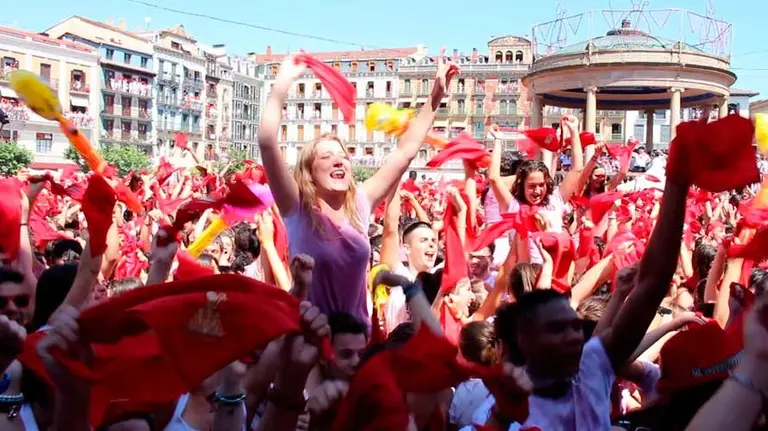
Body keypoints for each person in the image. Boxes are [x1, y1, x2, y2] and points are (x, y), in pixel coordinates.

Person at [257, 52, 458, 320]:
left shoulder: (361, 204)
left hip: (357, 343)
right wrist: (283, 81)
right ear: (309, 173)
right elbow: (268, 142)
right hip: (314, 343)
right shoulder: (298, 209)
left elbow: (406, 151)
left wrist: (435, 96)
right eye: (327, 158)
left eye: (343, 157)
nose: (339, 162)